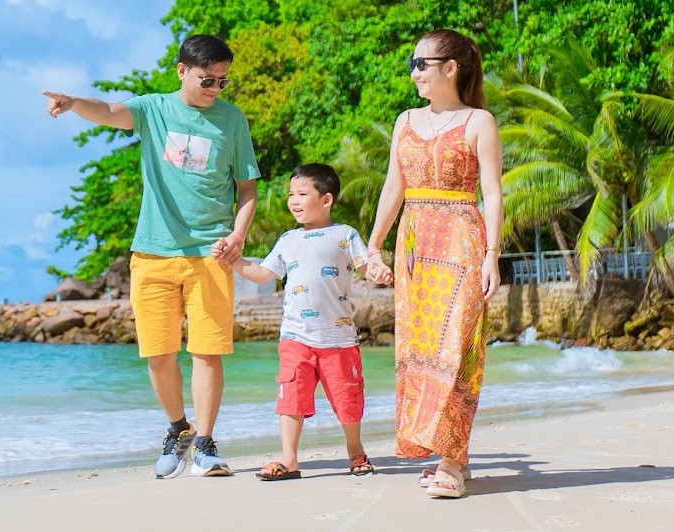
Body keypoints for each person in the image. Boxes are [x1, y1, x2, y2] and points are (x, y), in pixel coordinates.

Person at [44, 34, 260, 479]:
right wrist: (74, 103)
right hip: (153, 253)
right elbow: (109, 111)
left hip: (211, 253)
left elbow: (247, 188)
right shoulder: (153, 110)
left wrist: (238, 234)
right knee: (159, 355)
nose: (215, 89)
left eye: (222, 81)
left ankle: (205, 445)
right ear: (182, 71)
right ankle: (179, 429)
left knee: (207, 353)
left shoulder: (232, 121)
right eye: (207, 80)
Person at [364, 28, 503, 500]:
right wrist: (374, 245)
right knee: (419, 348)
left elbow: (493, 193)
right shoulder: (404, 120)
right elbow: (393, 187)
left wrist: (493, 255)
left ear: (451, 68)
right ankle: (449, 453)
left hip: (462, 239)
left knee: (458, 347)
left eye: (421, 63)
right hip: (414, 242)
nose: (414, 72)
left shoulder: (479, 121)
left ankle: (451, 462)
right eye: (413, 63)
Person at [216, 163, 380, 481]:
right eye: (291, 194)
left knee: (347, 396)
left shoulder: (344, 235)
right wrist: (233, 260)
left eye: (302, 194)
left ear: (326, 199)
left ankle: (355, 449)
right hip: (295, 335)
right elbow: (264, 273)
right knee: (291, 395)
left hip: (338, 338)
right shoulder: (288, 239)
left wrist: (378, 271)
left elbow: (366, 267)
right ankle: (289, 459)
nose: (294, 201)